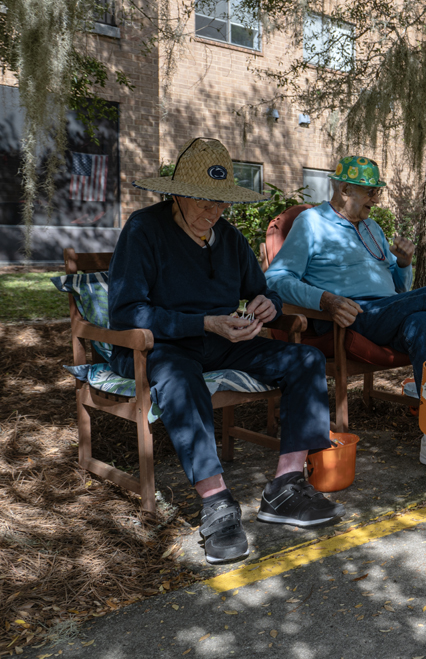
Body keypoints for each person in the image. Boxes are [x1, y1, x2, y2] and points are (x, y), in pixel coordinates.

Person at [110, 138, 345, 565]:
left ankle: (286, 487)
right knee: (181, 381)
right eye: (203, 201)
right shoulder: (144, 230)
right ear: (178, 193)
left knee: (306, 360)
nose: (212, 213)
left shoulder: (229, 238)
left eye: (221, 203)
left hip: (221, 342)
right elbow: (128, 313)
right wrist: (200, 323)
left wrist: (267, 306)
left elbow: (260, 291)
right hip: (159, 347)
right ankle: (216, 503)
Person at [264, 156, 426, 477]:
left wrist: (402, 264)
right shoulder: (311, 223)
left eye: (377, 191)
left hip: (387, 312)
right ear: (345, 189)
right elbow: (276, 280)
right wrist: (326, 300)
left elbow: (398, 289)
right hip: (352, 315)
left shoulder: (372, 228)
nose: (377, 199)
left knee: (424, 323)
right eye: (370, 191)